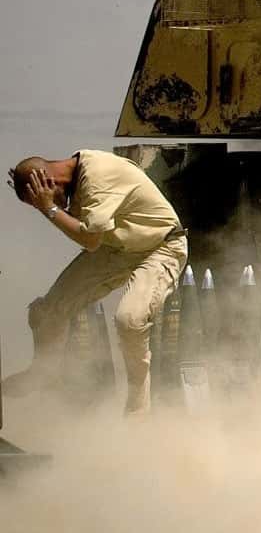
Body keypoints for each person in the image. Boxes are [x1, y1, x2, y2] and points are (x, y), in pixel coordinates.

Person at [8, 152, 187, 415]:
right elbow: (93, 239)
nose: (43, 206)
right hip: (116, 248)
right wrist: (50, 205)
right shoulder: (73, 180)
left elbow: (90, 240)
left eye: (40, 199)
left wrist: (49, 208)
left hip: (161, 247)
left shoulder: (97, 177)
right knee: (47, 311)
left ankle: (138, 409)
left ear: (48, 182)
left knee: (130, 320)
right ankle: (43, 373)